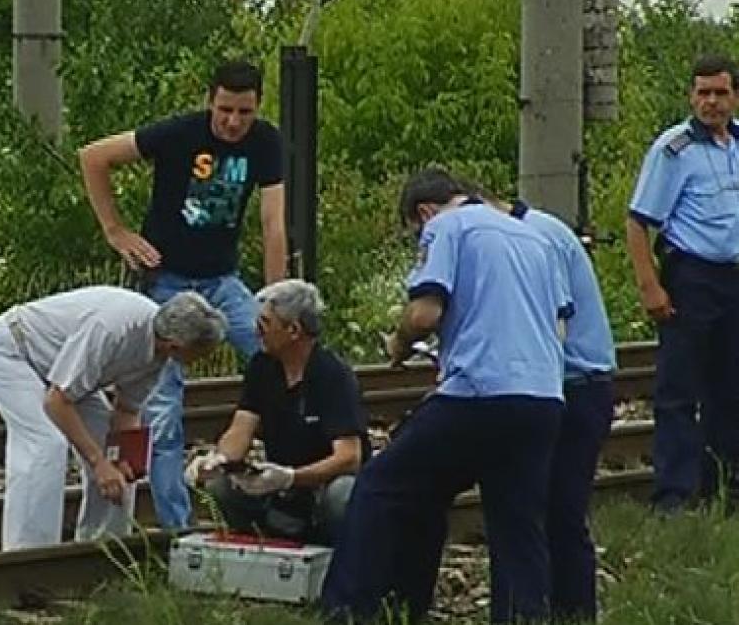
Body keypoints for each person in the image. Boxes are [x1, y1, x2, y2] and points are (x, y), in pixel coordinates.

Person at [321, 167, 567, 624]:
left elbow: (426, 312)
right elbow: (555, 324)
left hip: (478, 394)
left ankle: (350, 609)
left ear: (423, 212)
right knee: (517, 524)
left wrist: (398, 344)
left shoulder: (446, 226)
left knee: (381, 486)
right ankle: (523, 617)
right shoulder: (533, 237)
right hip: (542, 397)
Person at [79, 59, 288, 529]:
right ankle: (178, 527)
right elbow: (94, 157)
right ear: (210, 101)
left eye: (244, 112)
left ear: (257, 107)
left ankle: (293, 487)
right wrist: (116, 231)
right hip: (168, 279)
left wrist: (275, 297)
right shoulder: (179, 134)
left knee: (281, 361)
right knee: (162, 406)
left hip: (223, 280)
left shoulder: (265, 142)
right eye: (225, 110)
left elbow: (273, 222)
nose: (233, 122)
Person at [0, 286, 226, 551]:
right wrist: (98, 463)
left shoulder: (160, 354)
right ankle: (27, 553)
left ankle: (104, 549)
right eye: (201, 354)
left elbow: (127, 410)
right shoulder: (112, 330)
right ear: (178, 345)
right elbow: (57, 402)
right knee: (45, 445)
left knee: (116, 462)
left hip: (65, 376)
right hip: (13, 352)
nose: (201, 361)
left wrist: (121, 460)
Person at [469, 184, 617, 622]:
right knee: (542, 509)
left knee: (559, 510)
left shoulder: (537, 237)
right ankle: (546, 609)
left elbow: (554, 327)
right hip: (558, 384)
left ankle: (569, 610)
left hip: (573, 384)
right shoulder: (529, 232)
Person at [626, 54, 739, 513]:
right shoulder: (674, 149)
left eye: (720, 92)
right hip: (693, 278)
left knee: (730, 388)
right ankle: (673, 495)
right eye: (703, 93)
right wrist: (649, 287)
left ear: (735, 96)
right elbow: (639, 223)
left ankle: (723, 488)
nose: (711, 102)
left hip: (734, 279)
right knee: (679, 390)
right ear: (691, 96)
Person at [183, 279, 369, 543]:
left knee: (343, 493)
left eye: (265, 324)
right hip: (279, 485)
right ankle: (260, 549)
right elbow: (241, 427)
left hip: (322, 484)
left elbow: (349, 457)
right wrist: (219, 460)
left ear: (293, 330)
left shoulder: (332, 375)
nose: (258, 332)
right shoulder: (262, 367)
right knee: (221, 485)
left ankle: (341, 557)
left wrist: (292, 478)